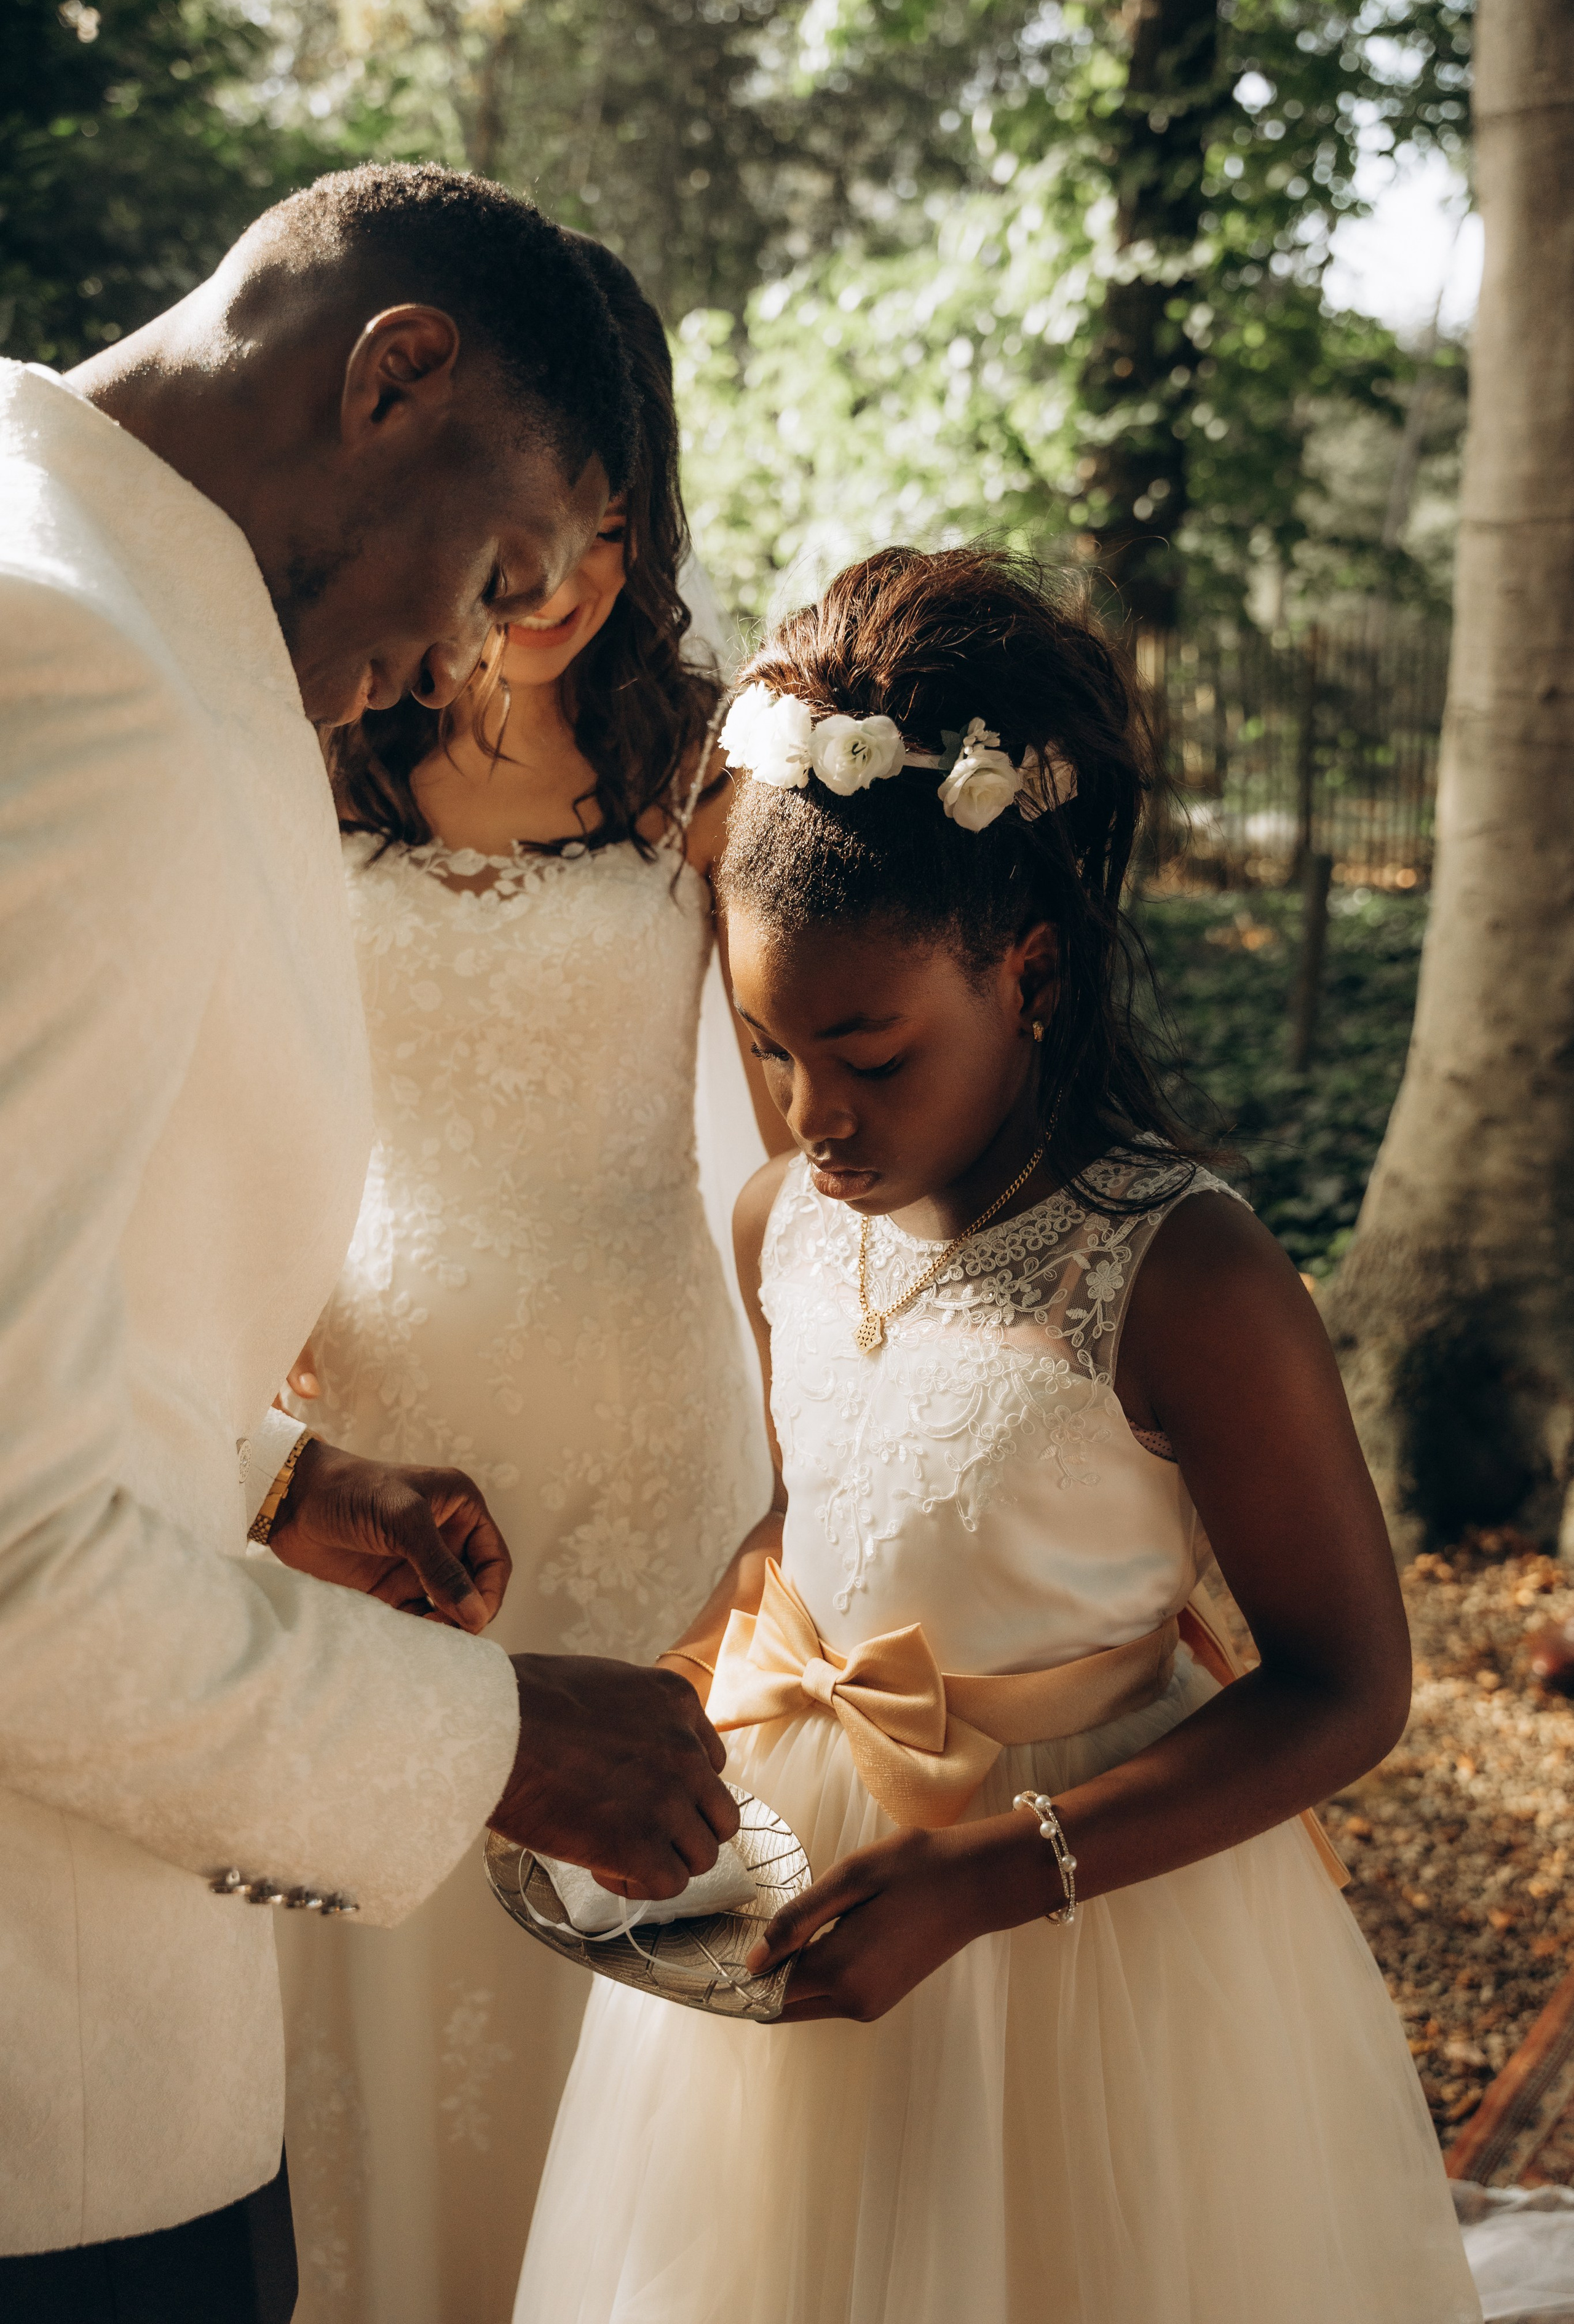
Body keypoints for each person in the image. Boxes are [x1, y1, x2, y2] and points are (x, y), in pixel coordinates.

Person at [515, 545, 1482, 2324]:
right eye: (769, 1045)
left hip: (1086, 1938)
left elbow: (1348, 1682)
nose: (813, 1117)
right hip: (806, 1923)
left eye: (873, 1054)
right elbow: (818, 1529)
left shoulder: (1181, 1268)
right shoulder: (783, 1230)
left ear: (1025, 969)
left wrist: (1000, 1868)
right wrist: (681, 1693)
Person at [0, 162, 740, 2322]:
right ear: (392, 373)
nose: (478, 652)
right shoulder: (85, 684)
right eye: (500, 566)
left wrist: (277, 1482)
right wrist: (498, 1737)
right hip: (52, 2093)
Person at [273, 237, 781, 2324]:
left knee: (626, 1948)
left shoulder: (699, 773)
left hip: (651, 1436)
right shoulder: (324, 736)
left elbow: (791, 1134)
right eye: (539, 524)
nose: (563, 571)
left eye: (612, 528)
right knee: (390, 1949)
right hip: (387, 1433)